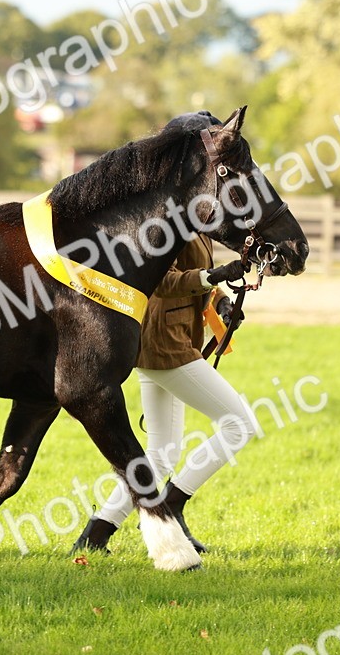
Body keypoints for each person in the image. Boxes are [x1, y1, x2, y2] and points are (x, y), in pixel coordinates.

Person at [72, 237, 257, 554]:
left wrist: (221, 301)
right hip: (166, 343)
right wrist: (213, 276)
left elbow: (195, 273)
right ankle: (170, 507)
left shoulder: (196, 222)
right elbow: (163, 280)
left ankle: (95, 535)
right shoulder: (167, 225)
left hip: (166, 339)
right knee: (239, 425)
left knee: (162, 453)